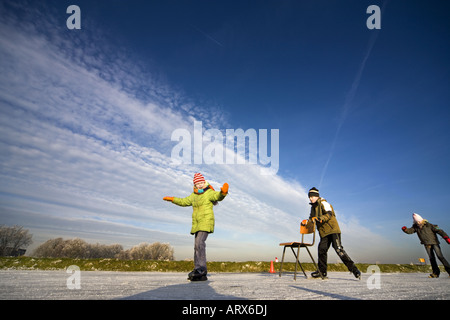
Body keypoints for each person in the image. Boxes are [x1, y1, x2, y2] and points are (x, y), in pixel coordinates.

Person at [163, 172, 228, 281]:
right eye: (198, 183)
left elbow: (217, 196)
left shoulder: (208, 192)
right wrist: (173, 199)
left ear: (205, 182)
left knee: (199, 243)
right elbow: (184, 201)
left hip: (206, 222)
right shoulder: (193, 196)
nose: (200, 185)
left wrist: (223, 192)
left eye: (202, 182)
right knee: (196, 246)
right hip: (197, 224)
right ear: (195, 185)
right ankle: (198, 270)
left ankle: (202, 268)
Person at [303, 187, 361, 279]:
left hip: (333, 230)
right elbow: (311, 218)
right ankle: (322, 272)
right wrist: (306, 221)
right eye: (309, 197)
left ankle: (354, 269)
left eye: (312, 196)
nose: (310, 198)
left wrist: (320, 219)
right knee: (321, 249)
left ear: (317, 196)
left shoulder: (324, 203)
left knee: (338, 249)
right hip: (324, 232)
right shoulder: (313, 208)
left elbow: (329, 214)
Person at [402, 213, 450, 278]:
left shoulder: (429, 225)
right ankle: (435, 273)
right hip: (427, 244)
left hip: (434, 242)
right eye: (416, 222)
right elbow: (410, 231)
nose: (418, 223)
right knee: (432, 258)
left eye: (419, 221)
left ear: (421, 220)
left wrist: (446, 237)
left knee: (440, 256)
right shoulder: (415, 227)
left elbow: (439, 231)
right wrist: (405, 230)